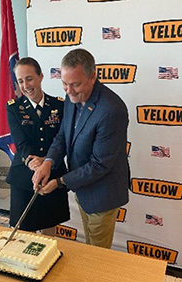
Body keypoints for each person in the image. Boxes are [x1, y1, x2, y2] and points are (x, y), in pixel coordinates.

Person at [33, 49, 129, 248]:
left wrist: (59, 182)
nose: (69, 91)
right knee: (89, 246)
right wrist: (48, 163)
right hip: (83, 187)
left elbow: (99, 164)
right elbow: (62, 136)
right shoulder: (71, 96)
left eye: (75, 84)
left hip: (102, 193)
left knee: (97, 254)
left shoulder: (111, 109)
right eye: (64, 84)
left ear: (92, 76)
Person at [6, 57, 70, 236]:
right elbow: (21, 143)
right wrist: (34, 164)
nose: (25, 85)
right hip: (24, 176)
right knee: (26, 232)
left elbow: (62, 138)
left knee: (50, 227)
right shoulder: (13, 108)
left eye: (29, 78)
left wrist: (47, 161)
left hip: (52, 173)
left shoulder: (59, 105)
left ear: (40, 77)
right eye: (20, 81)